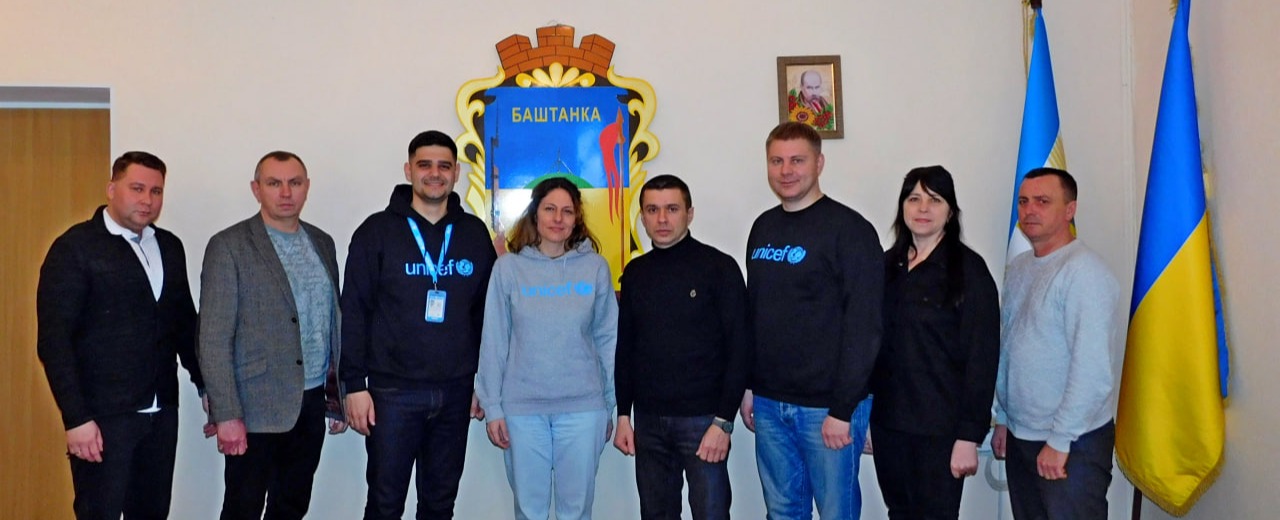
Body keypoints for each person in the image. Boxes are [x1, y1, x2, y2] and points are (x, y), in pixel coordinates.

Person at [36, 151, 204, 519]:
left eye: (156, 191)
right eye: (137, 188)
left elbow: (183, 325)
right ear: (112, 189)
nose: (147, 200)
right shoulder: (75, 248)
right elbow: (54, 341)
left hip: (161, 413)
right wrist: (76, 419)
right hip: (102, 418)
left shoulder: (169, 246)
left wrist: (207, 386)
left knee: (152, 512)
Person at [341, 130, 497, 519]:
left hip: (456, 391)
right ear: (408, 170)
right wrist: (353, 385)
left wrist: (483, 383)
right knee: (385, 503)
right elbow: (354, 311)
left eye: (444, 166)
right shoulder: (376, 232)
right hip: (392, 392)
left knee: (440, 504)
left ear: (456, 173)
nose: (434, 173)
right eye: (424, 164)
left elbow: (486, 316)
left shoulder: (474, 234)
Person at [740, 122, 882, 519]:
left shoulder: (850, 230)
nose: (786, 170)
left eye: (797, 160)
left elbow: (866, 326)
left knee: (837, 513)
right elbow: (756, 313)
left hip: (827, 408)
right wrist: (749, 385)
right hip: (769, 403)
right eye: (777, 161)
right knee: (782, 512)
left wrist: (843, 409)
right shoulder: (762, 228)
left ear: (819, 163)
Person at [198, 151, 347, 519]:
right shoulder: (229, 245)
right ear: (256, 189)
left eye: (294, 183)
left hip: (311, 401)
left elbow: (332, 323)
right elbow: (213, 338)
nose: (285, 192)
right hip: (254, 407)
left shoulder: (322, 242)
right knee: (243, 509)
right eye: (274, 183)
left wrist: (337, 397)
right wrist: (226, 413)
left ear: (307, 187)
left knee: (292, 507)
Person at [476, 177, 618, 520]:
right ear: (534, 214)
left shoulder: (595, 268)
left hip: (584, 409)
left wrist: (609, 403)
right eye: (550, 209)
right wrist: (492, 407)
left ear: (577, 217)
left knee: (576, 511)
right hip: (522, 411)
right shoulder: (507, 269)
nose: (558, 218)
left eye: (567, 211)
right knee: (530, 511)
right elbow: (494, 340)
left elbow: (608, 339)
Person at [613, 174, 750, 520]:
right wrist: (624, 415)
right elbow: (625, 348)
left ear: (689, 214)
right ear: (642, 217)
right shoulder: (635, 273)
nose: (662, 219)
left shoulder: (719, 267)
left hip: (705, 422)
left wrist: (724, 422)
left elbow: (740, 348)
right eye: (652, 210)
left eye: (672, 209)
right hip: (649, 422)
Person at [991, 167, 1124, 520]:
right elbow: (1010, 347)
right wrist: (1004, 418)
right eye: (1023, 202)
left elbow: (1092, 370)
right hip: (1022, 435)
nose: (1029, 210)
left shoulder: (1085, 272)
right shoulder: (1020, 267)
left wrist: (1060, 440)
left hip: (1071, 443)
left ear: (1070, 210)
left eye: (1042, 201)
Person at [869, 166, 1000, 519]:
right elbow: (870, 343)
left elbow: (982, 358)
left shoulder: (969, 271)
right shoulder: (886, 266)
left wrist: (969, 436)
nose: (923, 208)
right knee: (899, 513)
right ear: (902, 207)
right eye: (914, 199)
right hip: (889, 424)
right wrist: (864, 415)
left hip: (942, 430)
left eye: (935, 199)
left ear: (950, 211)